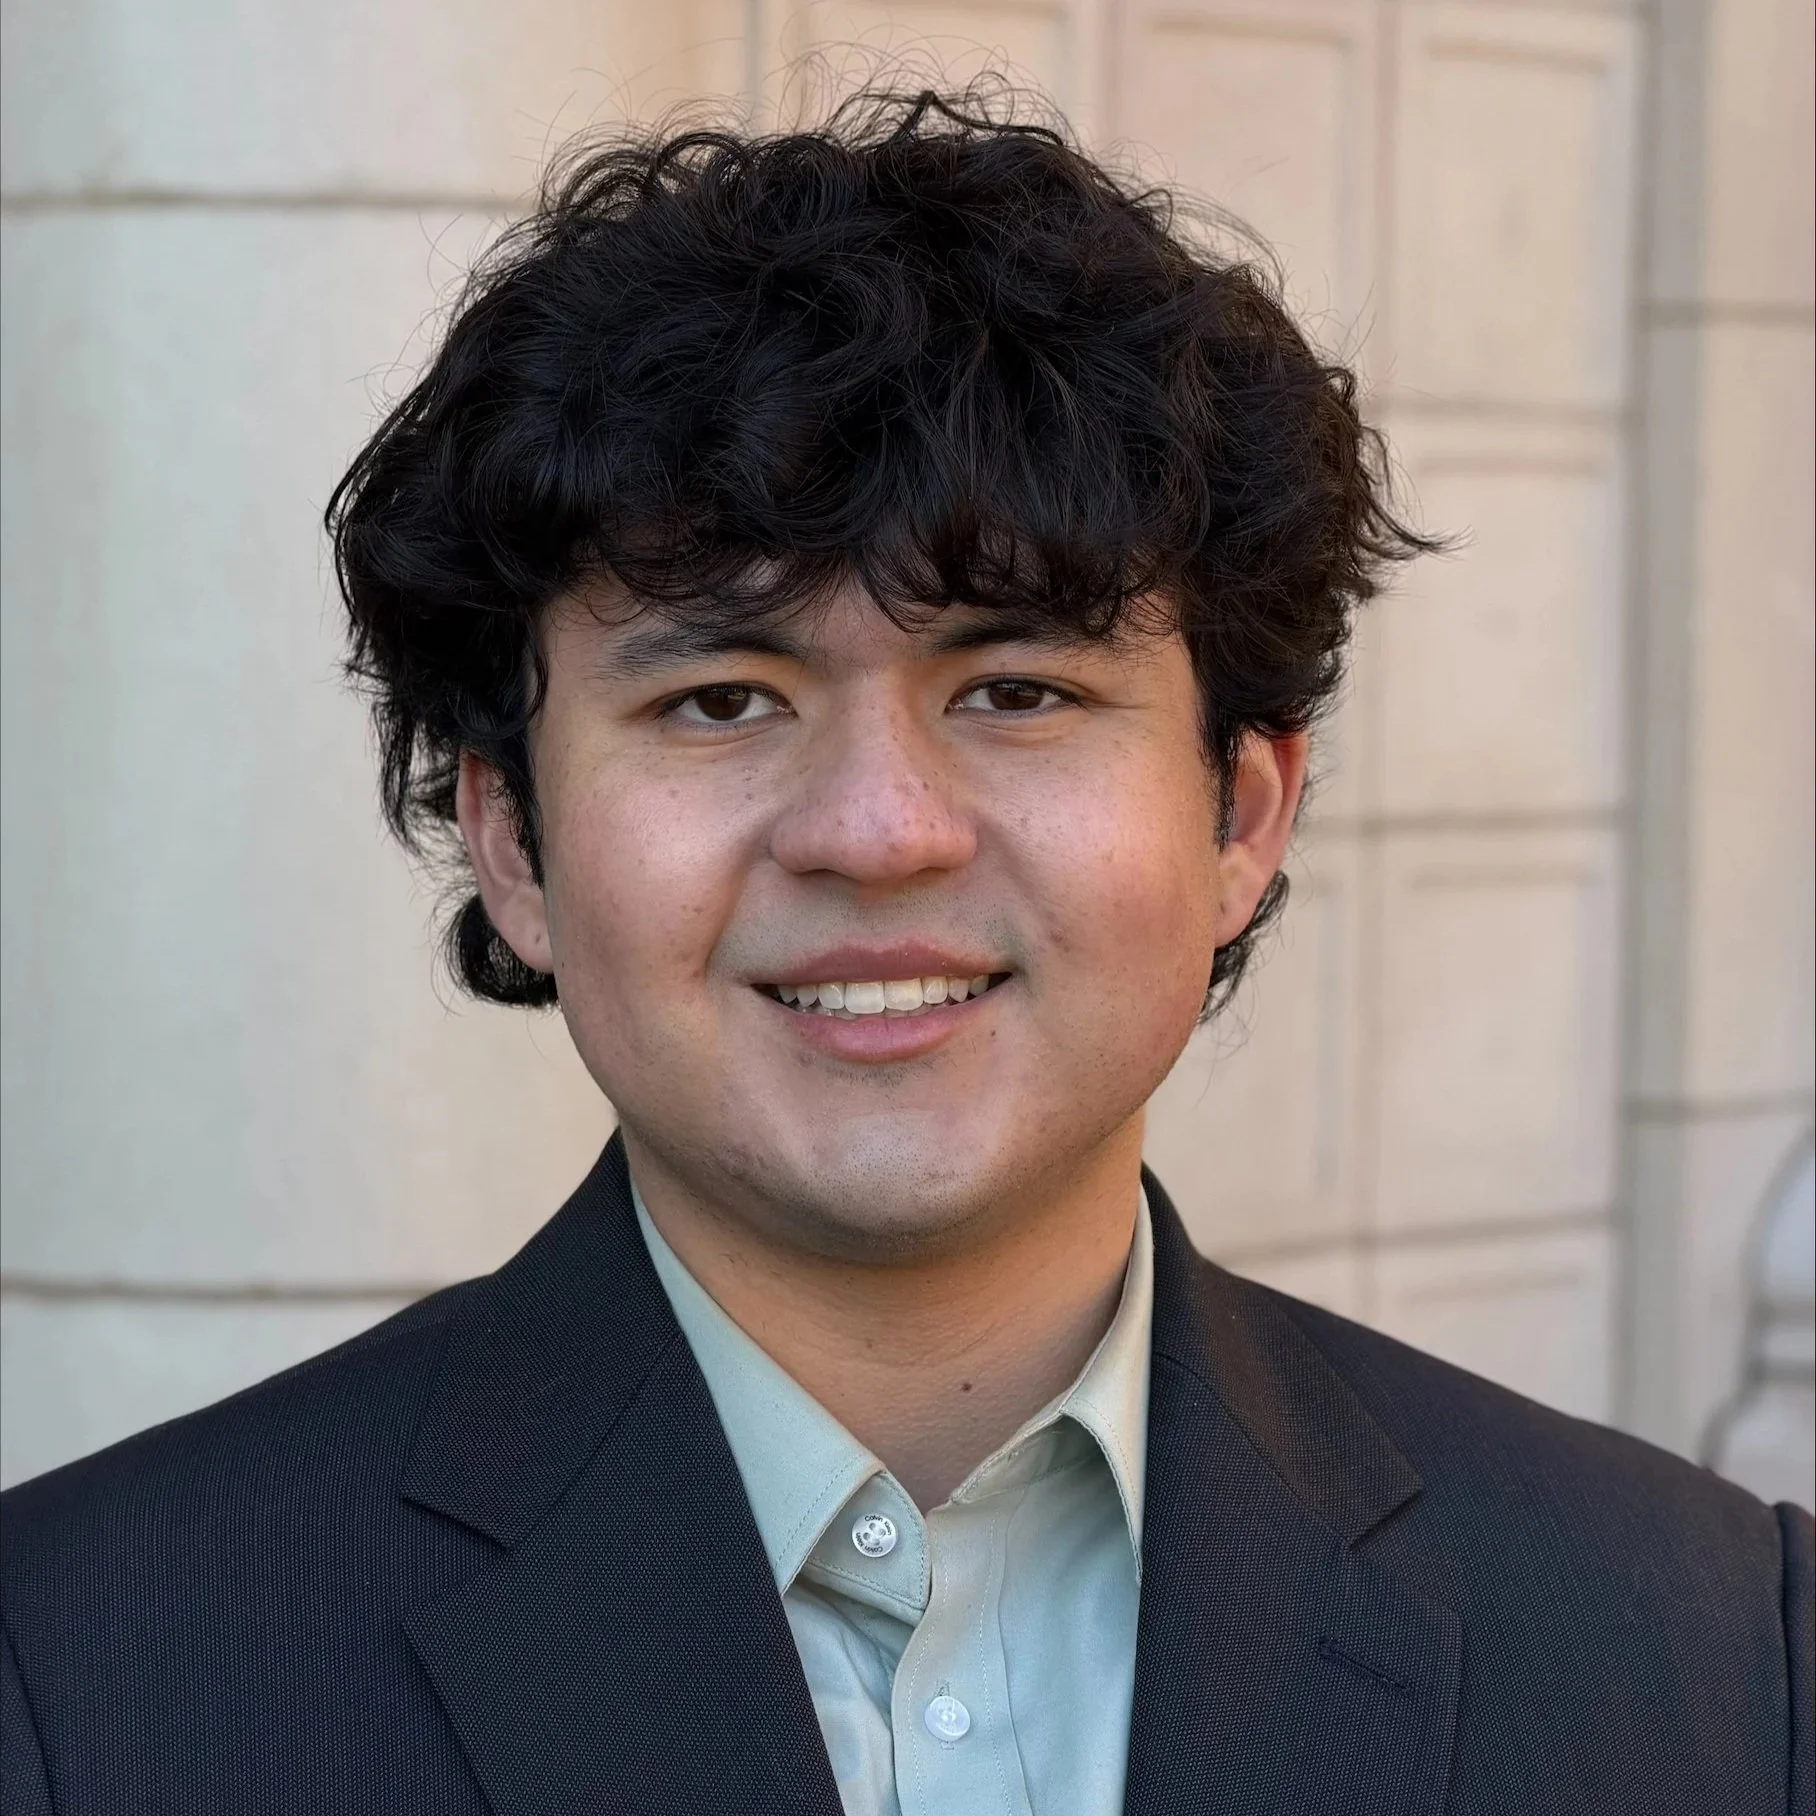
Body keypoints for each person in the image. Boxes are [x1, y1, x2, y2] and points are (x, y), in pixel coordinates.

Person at [1, 88, 1808, 1816]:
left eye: (1017, 688)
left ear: (1242, 815)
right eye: (722, 698)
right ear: (510, 838)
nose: (878, 829)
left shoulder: (1724, 1653)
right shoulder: (77, 1672)